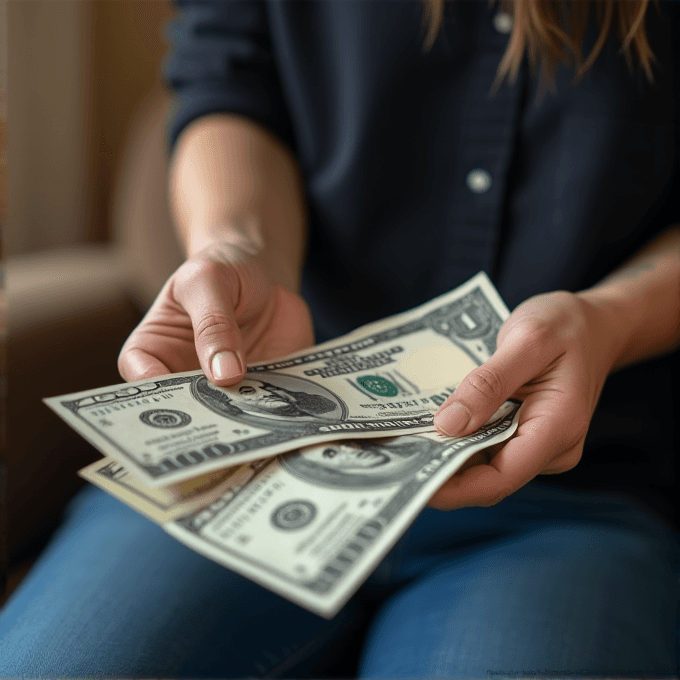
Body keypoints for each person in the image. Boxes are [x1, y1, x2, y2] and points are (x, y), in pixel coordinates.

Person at [1, 0, 679, 676]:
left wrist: (613, 319)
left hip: (571, 491)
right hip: (251, 461)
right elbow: (227, 82)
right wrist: (242, 247)